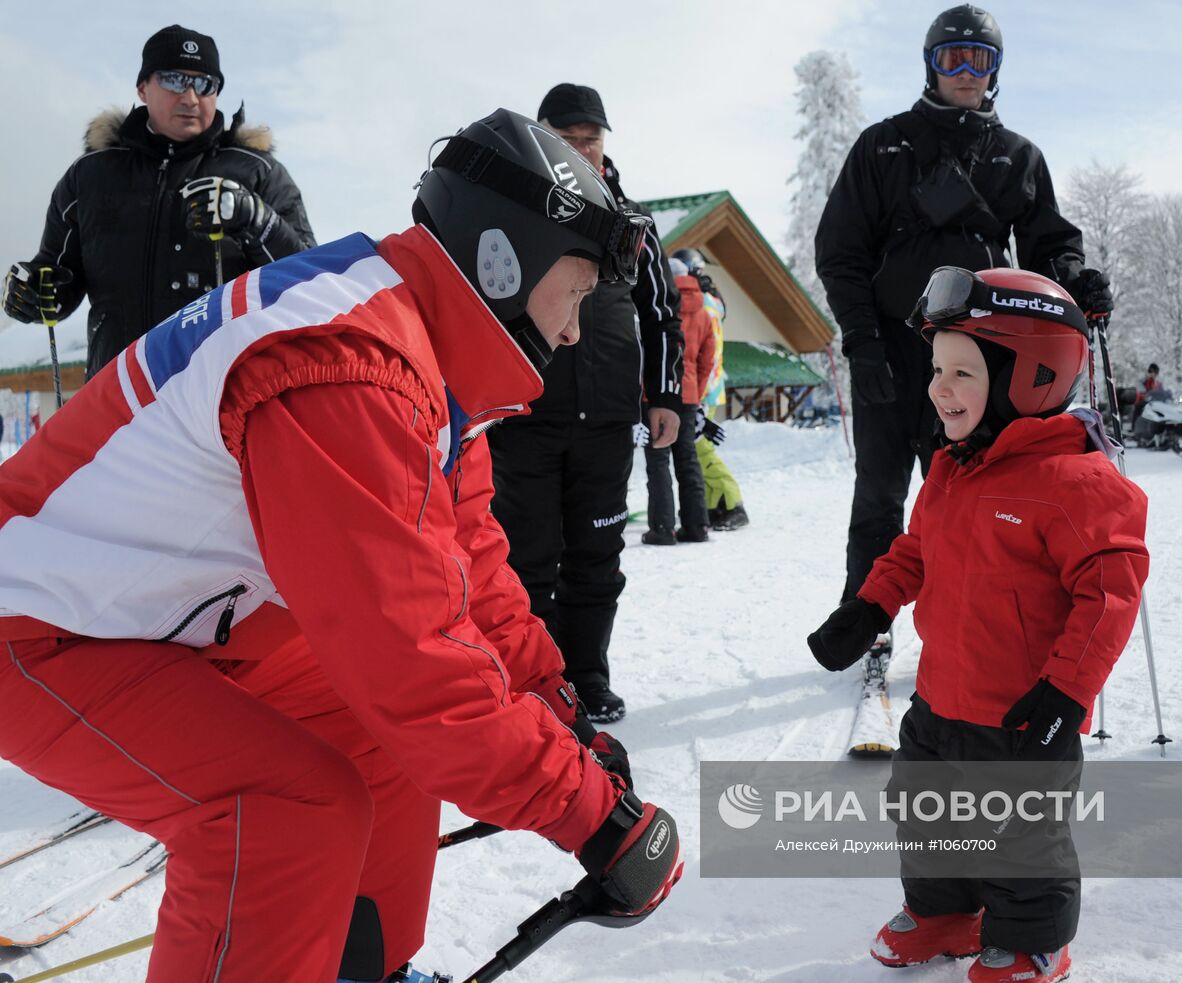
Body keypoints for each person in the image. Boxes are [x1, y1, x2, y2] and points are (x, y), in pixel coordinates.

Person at [0, 109, 682, 983]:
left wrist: (557, 708)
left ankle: (362, 969)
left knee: (379, 746)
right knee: (283, 806)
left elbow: (469, 567)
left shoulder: (416, 351)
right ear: (503, 258)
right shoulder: (347, 365)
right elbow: (415, 664)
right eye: (578, 291)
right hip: (48, 621)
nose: (576, 329)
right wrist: (592, 815)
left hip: (174, 619)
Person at [808, 267, 1148, 983]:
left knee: (1019, 831)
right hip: (940, 699)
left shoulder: (1077, 482)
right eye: (938, 368)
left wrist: (1065, 694)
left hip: (1026, 712)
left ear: (1031, 375)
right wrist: (868, 606)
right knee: (925, 808)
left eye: (963, 371)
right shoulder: (952, 470)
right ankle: (945, 912)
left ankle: (1031, 940)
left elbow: (1110, 592)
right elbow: (916, 550)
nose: (939, 387)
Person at [814, 4, 1108, 671]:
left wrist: (1078, 280)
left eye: (982, 60)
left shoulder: (1016, 156)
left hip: (980, 357)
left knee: (974, 500)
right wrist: (861, 342)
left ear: (996, 71)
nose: (967, 73)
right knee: (880, 495)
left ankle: (975, 623)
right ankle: (868, 620)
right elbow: (840, 251)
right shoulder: (882, 147)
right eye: (955, 58)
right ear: (932, 64)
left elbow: (1049, 244)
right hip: (889, 348)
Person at [489, 84, 684, 723]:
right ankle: (527, 683)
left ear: (605, 144)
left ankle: (587, 679)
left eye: (590, 139)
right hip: (525, 420)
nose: (580, 150)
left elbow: (661, 317)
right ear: (542, 139)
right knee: (525, 562)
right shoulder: (512, 211)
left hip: (605, 422)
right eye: (565, 140)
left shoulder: (635, 226)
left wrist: (665, 397)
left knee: (597, 560)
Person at [1, 25, 315, 380]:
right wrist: (31, 295)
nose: (191, 97)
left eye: (206, 84)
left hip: (222, 396)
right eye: (174, 80)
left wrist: (255, 219)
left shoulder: (258, 172)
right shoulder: (90, 175)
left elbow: (309, 281)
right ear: (142, 88)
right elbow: (57, 282)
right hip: (118, 397)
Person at [673, 247, 750, 531]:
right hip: (702, 384)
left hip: (704, 387)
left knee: (699, 448)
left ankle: (732, 503)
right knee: (695, 449)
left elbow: (710, 350)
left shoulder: (703, 303)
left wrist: (703, 395)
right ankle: (712, 504)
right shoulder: (706, 300)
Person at [641, 257, 715, 544]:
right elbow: (707, 360)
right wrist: (695, 391)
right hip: (688, 396)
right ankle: (697, 526)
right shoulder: (705, 313)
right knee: (688, 460)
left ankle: (662, 528)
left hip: (657, 394)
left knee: (658, 461)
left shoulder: (656, 306)